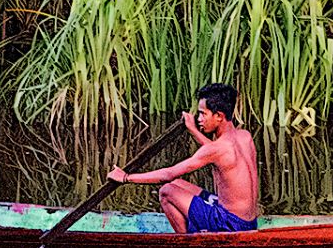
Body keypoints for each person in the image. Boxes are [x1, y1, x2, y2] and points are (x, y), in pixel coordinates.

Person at [106, 83, 258, 234]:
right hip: (249, 222)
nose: (199, 119)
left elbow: (168, 174)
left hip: (230, 224)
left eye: (203, 114)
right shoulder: (245, 137)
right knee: (177, 184)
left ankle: (187, 246)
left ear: (219, 116)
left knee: (167, 190)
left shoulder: (216, 149)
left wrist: (126, 177)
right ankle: (198, 232)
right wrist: (192, 130)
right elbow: (218, 152)